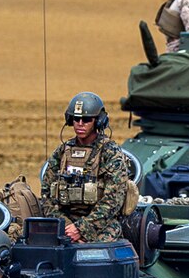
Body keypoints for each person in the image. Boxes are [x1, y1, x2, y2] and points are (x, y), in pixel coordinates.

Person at [40, 92, 130, 243]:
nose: (80, 124)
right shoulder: (62, 152)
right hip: (63, 224)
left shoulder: (110, 152)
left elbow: (113, 200)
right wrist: (66, 227)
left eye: (86, 120)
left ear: (99, 121)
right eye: (76, 119)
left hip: (100, 224)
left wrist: (82, 229)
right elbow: (46, 195)